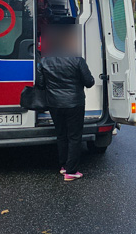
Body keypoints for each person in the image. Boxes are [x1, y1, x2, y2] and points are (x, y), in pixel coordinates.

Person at [36, 29, 95, 182]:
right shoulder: (77, 60)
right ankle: (71, 171)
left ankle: (63, 166)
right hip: (74, 103)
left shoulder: (44, 61)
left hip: (54, 103)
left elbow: (40, 84)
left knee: (61, 135)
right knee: (74, 137)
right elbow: (89, 82)